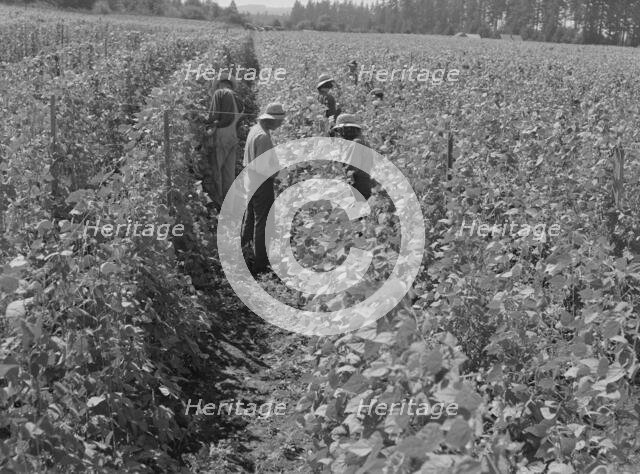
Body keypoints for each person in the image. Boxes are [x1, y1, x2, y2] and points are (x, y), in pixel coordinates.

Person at [241, 103, 286, 275]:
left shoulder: (255, 129)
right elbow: (263, 167)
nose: (280, 124)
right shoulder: (264, 138)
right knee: (263, 221)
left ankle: (244, 252)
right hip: (261, 180)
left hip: (249, 177)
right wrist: (278, 175)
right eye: (279, 121)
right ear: (271, 120)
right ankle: (260, 264)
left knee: (250, 216)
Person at [206, 71, 243, 208]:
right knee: (229, 172)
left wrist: (205, 123)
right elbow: (238, 120)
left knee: (217, 170)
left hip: (221, 136)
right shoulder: (237, 97)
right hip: (233, 137)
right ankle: (230, 204)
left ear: (220, 84)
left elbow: (213, 116)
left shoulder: (220, 93)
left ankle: (219, 204)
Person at [330, 113, 374, 200]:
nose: (339, 134)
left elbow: (351, 169)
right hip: (366, 184)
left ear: (347, 129)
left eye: (340, 130)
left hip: (359, 186)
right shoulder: (361, 141)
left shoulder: (356, 143)